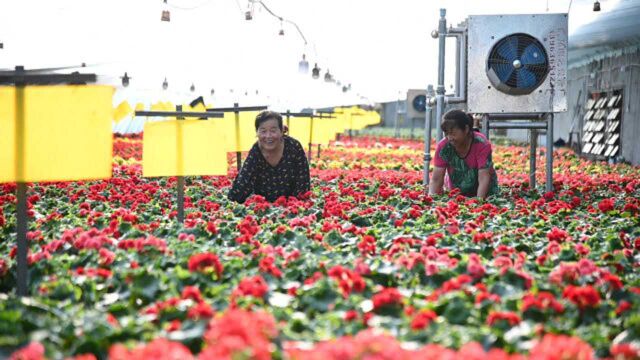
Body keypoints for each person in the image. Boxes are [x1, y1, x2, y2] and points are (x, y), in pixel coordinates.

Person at [228, 110, 310, 203]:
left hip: (292, 207)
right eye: (263, 131)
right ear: (257, 132)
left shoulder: (293, 147)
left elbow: (303, 182)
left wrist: (295, 208)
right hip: (264, 210)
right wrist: (230, 206)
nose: (268, 136)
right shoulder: (256, 151)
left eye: (273, 131)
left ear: (281, 131)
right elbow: (243, 182)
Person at [429, 110, 499, 198]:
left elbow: (484, 177)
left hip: (485, 193)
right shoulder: (443, 147)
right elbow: (436, 179)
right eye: (447, 134)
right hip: (457, 194)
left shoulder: (481, 143)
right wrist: (431, 200)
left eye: (453, 133)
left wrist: (478, 203)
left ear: (466, 129)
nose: (450, 138)